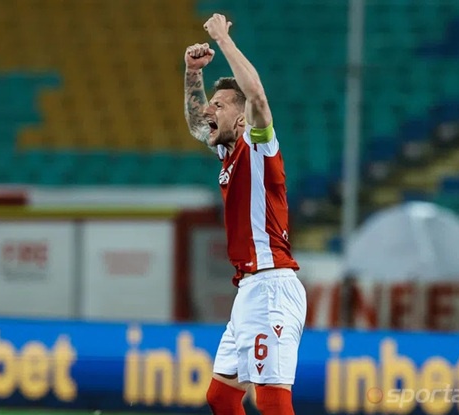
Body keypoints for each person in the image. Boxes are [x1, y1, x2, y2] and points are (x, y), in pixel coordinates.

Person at [183, 14, 307, 415]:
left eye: (218, 105)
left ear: (241, 118)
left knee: (271, 401)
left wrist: (223, 39)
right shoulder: (229, 152)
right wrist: (193, 73)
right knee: (221, 397)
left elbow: (257, 97)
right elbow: (197, 126)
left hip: (272, 286)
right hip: (250, 289)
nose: (208, 110)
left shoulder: (258, 147)